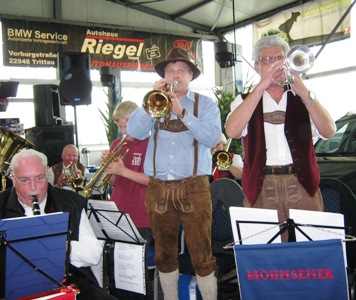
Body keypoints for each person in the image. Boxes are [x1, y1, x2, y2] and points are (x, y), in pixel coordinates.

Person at [127, 47, 222, 299]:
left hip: (194, 187)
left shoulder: (207, 104)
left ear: (190, 75)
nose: (176, 75)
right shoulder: (153, 101)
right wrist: (151, 99)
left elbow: (212, 137)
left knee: (202, 253)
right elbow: (135, 132)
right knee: (164, 254)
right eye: (171, 70)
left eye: (181, 70)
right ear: (164, 76)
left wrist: (181, 111)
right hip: (158, 188)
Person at [225, 35, 336, 242]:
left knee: (310, 251)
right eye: (267, 60)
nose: (274, 64)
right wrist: (261, 87)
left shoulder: (303, 98)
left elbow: (329, 131)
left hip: (302, 184)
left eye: (279, 58)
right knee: (265, 256)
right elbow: (232, 131)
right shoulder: (243, 100)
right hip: (260, 187)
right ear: (257, 66)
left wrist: (303, 91)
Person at [0, 149, 116, 300]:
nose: (34, 187)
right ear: (13, 179)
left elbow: (93, 254)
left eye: (40, 178)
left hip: (67, 281)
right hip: (14, 285)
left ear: (48, 173)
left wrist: (62, 247)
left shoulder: (70, 202)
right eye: (24, 180)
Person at [101, 100, 152, 299]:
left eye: (126, 126)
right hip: (118, 211)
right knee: (117, 269)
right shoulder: (117, 144)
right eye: (119, 126)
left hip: (140, 215)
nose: (123, 131)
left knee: (135, 272)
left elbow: (154, 181)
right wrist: (109, 168)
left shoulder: (151, 144)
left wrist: (123, 170)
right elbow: (114, 181)